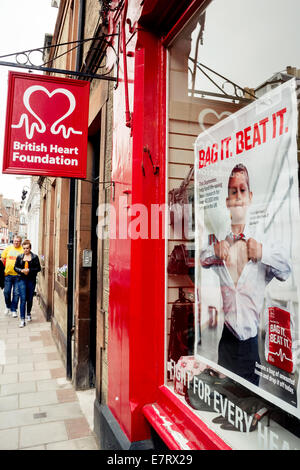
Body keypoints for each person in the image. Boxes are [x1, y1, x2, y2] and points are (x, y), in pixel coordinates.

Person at [200, 163, 291, 385]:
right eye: (233, 191)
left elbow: (286, 271)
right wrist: (215, 250)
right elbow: (202, 259)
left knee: (249, 405)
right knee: (225, 402)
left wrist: (263, 253)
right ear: (227, 201)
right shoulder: (220, 245)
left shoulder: (262, 243)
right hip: (227, 342)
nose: (238, 196)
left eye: (242, 190)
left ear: (250, 197)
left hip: (251, 347)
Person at [14, 239, 41, 328]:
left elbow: (38, 268)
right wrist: (21, 270)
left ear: (30, 248)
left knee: (29, 299)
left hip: (31, 280)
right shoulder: (19, 257)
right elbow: (15, 267)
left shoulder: (34, 257)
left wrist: (30, 270)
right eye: (24, 248)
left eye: (27, 248)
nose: (26, 250)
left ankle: (28, 313)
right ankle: (22, 319)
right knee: (23, 298)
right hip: (21, 280)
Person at [1, 236, 24, 317]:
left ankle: (14, 309)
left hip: (18, 276)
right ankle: (8, 306)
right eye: (15, 241)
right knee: (6, 292)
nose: (16, 242)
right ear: (12, 241)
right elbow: (2, 259)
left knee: (16, 293)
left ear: (20, 242)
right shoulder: (8, 249)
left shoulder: (22, 250)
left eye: (18, 241)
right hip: (7, 275)